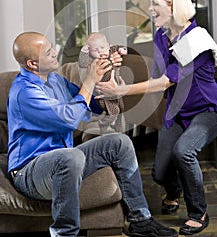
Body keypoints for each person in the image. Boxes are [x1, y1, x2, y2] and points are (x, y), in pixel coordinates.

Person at [7, 31, 178, 237]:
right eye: (48, 52)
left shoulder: (55, 80)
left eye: (52, 47)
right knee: (71, 155)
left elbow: (90, 104)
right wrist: (89, 80)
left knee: (120, 142)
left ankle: (140, 220)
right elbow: (69, 119)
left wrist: (113, 90)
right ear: (32, 64)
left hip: (65, 163)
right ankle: (65, 233)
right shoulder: (24, 92)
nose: (55, 53)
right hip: (30, 172)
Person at [95, 0, 217, 235]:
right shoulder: (161, 35)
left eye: (155, 3)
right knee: (159, 173)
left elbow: (164, 82)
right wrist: (123, 55)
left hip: (209, 111)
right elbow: (158, 70)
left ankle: (198, 213)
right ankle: (175, 190)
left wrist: (120, 91)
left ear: (172, 5)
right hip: (177, 112)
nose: (151, 8)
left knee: (184, 151)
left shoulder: (197, 40)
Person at [78, 32, 127, 134]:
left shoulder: (111, 52)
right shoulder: (93, 60)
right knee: (114, 111)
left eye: (102, 47)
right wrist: (84, 51)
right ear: (90, 52)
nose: (100, 52)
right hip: (103, 93)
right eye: (95, 50)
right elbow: (82, 62)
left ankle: (119, 129)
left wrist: (122, 50)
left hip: (116, 89)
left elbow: (118, 47)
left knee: (121, 109)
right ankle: (103, 124)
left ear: (108, 45)